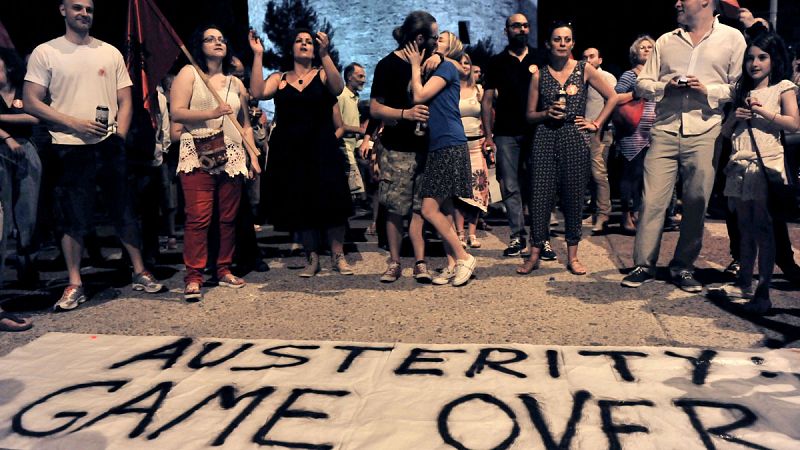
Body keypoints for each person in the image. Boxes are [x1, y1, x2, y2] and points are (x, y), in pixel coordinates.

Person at [23, 0, 163, 310]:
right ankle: (75, 283)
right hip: (67, 146)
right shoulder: (46, 52)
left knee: (124, 210)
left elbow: (126, 99)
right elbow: (31, 101)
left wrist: (121, 137)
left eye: (88, 9)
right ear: (62, 10)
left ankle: (140, 271)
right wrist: (72, 121)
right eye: (77, 8)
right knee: (71, 218)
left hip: (109, 146)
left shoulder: (109, 51)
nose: (84, 14)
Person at [621, 0, 746, 292]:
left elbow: (739, 87)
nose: (677, 2)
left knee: (696, 203)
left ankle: (683, 266)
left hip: (705, 130)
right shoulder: (666, 40)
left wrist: (707, 89)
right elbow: (642, 84)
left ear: (705, 1)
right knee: (652, 201)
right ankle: (643, 264)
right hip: (664, 129)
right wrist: (666, 87)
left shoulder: (731, 38)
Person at [249, 27, 353, 278]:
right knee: (302, 204)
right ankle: (312, 257)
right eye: (299, 41)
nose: (304, 44)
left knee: (333, 201)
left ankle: (338, 255)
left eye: (308, 41)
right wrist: (258, 55)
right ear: (292, 47)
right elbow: (257, 92)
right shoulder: (279, 78)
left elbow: (338, 88)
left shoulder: (322, 74)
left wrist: (325, 53)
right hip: (292, 153)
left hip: (322, 147)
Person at [517, 22, 617, 276]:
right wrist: (545, 113)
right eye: (557, 39)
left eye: (567, 39)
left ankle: (573, 255)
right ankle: (535, 253)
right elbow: (529, 115)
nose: (562, 43)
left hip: (574, 136)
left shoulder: (584, 69)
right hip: (544, 137)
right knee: (540, 197)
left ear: (572, 44)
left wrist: (595, 122)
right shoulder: (539, 74)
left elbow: (613, 96)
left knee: (573, 197)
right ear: (549, 44)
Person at [719, 32, 799, 313]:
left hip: (766, 164)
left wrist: (765, 113)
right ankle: (745, 283)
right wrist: (734, 117)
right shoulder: (740, 91)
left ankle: (763, 293)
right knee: (744, 228)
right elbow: (726, 133)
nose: (755, 63)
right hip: (739, 164)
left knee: (764, 228)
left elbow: (793, 124)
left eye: (762, 57)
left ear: (773, 59)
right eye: (750, 57)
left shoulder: (783, 87)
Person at [171, 25, 252, 300]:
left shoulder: (235, 82)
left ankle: (223, 268)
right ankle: (194, 274)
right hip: (199, 151)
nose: (218, 42)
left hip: (231, 154)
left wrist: (253, 154)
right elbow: (176, 112)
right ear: (200, 45)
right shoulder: (189, 73)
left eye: (221, 38)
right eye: (210, 39)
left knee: (228, 218)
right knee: (198, 218)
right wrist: (212, 111)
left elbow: (245, 125)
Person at [369, 11, 437, 283]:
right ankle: (395, 262)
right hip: (397, 148)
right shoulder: (387, 65)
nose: (437, 41)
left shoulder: (431, 64)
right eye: (433, 37)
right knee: (396, 208)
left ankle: (420, 262)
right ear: (420, 38)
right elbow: (374, 108)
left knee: (421, 208)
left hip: (426, 147)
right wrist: (405, 114)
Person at [405, 32, 477, 287]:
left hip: (448, 142)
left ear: (451, 47)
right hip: (441, 143)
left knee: (428, 208)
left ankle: (463, 256)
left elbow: (420, 96)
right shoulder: (442, 66)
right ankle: (451, 263)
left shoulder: (446, 66)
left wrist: (415, 66)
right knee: (444, 208)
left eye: (442, 39)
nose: (437, 41)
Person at [482, 13, 554, 259]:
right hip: (506, 132)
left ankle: (540, 239)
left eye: (525, 26)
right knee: (510, 186)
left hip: (538, 132)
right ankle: (516, 236)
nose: (521, 29)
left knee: (538, 186)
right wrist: (488, 135)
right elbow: (487, 99)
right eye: (516, 26)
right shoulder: (497, 62)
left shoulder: (541, 58)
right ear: (507, 31)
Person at [0, 48, 41, 287]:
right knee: (3, 216)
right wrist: (7, 137)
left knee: (28, 214)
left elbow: (33, 117)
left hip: (26, 150)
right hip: (2, 151)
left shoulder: (23, 91)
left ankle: (28, 269)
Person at [615, 36, 657, 235]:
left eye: (650, 47)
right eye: (643, 47)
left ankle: (639, 213)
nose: (647, 50)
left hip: (654, 130)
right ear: (635, 52)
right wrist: (636, 93)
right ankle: (625, 215)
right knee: (630, 174)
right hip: (633, 131)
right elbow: (615, 98)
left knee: (645, 176)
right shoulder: (629, 75)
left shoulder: (658, 74)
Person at [456, 52, 490, 248]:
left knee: (478, 189)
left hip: (476, 144)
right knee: (459, 191)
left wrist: (488, 137)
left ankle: (472, 233)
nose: (465, 66)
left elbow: (487, 116)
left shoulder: (479, 89)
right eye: (461, 63)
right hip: (458, 145)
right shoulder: (450, 88)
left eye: (467, 62)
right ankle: (459, 233)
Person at [581, 47, 617, 233]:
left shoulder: (607, 78)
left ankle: (603, 215)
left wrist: (599, 125)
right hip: (582, 130)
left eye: (592, 56)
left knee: (599, 174)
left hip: (600, 131)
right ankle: (595, 212)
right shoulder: (580, 77)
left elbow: (613, 103)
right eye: (585, 57)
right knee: (587, 175)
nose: (588, 59)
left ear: (600, 60)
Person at [338, 63, 367, 195]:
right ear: (349, 77)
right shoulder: (342, 96)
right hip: (344, 146)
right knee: (354, 188)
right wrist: (359, 130)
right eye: (360, 76)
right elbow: (338, 125)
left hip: (352, 145)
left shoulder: (354, 98)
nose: (363, 80)